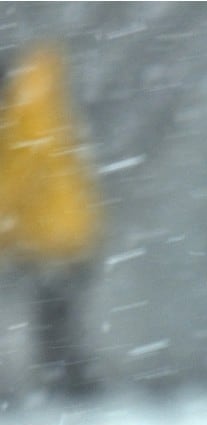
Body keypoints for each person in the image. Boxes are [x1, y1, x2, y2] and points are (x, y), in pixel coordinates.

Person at [0, 43, 103, 397]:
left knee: (56, 327)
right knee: (59, 324)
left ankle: (74, 396)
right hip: (66, 234)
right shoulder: (35, 106)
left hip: (52, 239)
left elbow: (17, 179)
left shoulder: (24, 116)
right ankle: (73, 394)